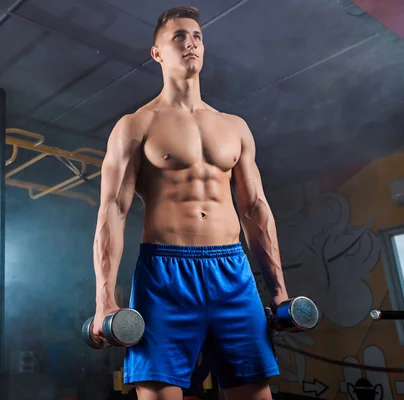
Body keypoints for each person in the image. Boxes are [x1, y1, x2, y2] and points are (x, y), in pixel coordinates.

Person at [90, 5, 289, 400]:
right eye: (179, 36)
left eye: (197, 36)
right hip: (165, 275)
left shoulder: (234, 126)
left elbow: (255, 210)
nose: (191, 43)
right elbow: (113, 210)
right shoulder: (136, 124)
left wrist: (280, 291)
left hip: (232, 271)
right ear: (157, 53)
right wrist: (105, 300)